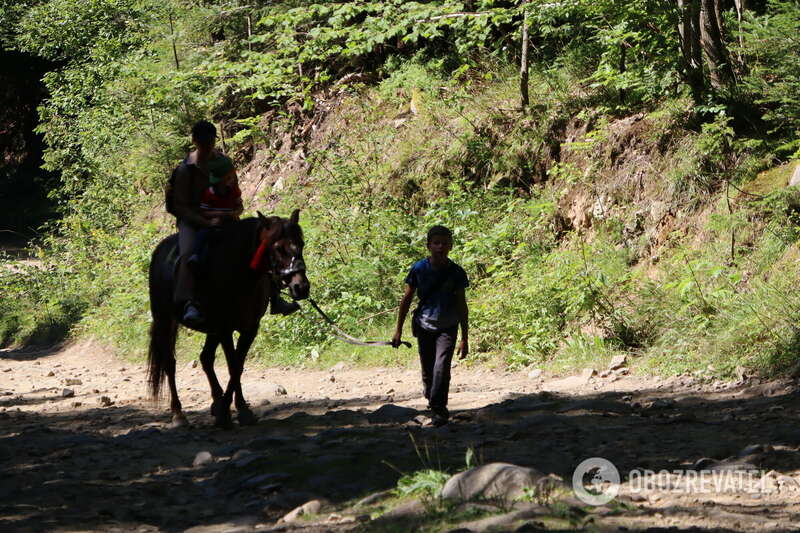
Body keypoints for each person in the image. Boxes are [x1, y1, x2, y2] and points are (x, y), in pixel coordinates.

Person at [171, 120, 297, 328]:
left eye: (210, 141)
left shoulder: (224, 163)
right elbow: (181, 206)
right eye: (203, 142)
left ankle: (275, 297)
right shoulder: (185, 170)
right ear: (194, 141)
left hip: (227, 219)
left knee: (262, 244)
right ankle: (190, 303)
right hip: (194, 222)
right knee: (188, 255)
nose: (207, 146)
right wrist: (206, 220)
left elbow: (235, 195)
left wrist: (235, 211)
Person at [391, 225, 469, 426]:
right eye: (436, 243)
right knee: (428, 369)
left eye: (444, 243)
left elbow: (462, 305)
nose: (440, 247)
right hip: (424, 325)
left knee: (441, 366)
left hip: (448, 326)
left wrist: (465, 338)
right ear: (429, 245)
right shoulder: (419, 269)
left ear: (451, 246)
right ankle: (431, 395)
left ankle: (438, 407)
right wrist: (398, 330)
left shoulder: (457, 272)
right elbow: (406, 299)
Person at [188, 154, 243, 267]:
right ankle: (195, 255)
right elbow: (204, 212)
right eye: (229, 177)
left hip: (232, 222)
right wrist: (221, 214)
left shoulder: (233, 191)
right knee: (203, 234)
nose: (232, 179)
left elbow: (240, 207)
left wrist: (235, 213)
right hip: (213, 223)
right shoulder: (209, 193)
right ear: (222, 179)